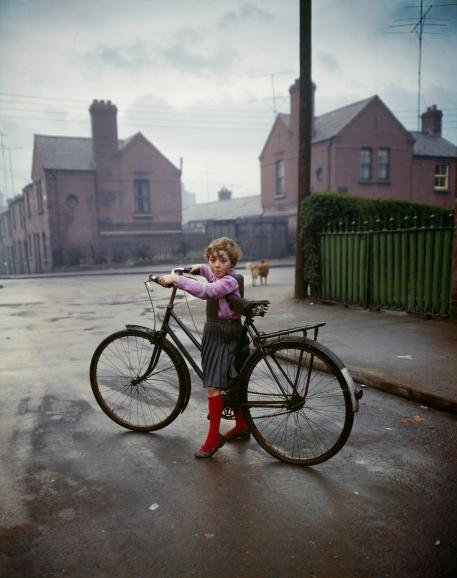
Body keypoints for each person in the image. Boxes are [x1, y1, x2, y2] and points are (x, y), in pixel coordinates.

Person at [159, 236, 250, 459]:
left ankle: (213, 438)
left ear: (232, 263)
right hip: (222, 333)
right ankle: (241, 425)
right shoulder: (218, 273)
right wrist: (191, 269)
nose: (216, 265)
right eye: (213, 260)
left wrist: (177, 280)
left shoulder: (228, 281)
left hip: (222, 335)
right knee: (234, 382)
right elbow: (204, 270)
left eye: (223, 260)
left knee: (213, 386)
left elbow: (207, 291)